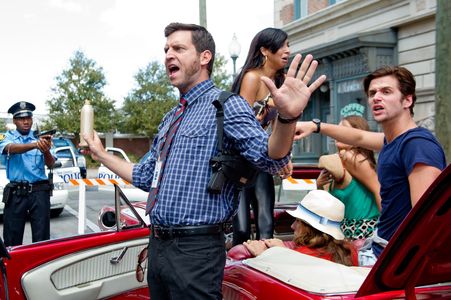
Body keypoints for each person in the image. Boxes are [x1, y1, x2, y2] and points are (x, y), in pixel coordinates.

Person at [82, 22, 326, 300]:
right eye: (166, 50)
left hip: (197, 250)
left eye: (178, 48)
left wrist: (287, 118)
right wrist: (101, 154)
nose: (168, 55)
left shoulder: (226, 105)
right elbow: (143, 175)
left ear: (204, 57)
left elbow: (268, 158)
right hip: (158, 247)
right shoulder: (170, 117)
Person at [295, 66, 447, 266]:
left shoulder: (417, 145)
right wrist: (316, 126)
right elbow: (358, 136)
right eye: (372, 93)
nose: (376, 97)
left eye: (386, 91)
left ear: (407, 100)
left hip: (392, 260)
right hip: (378, 248)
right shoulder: (393, 141)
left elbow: (425, 221)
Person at [230, 28, 292, 246]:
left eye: (288, 45)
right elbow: (241, 125)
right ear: (265, 50)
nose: (287, 51)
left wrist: (284, 157)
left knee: (266, 226)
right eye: (282, 46)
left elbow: (281, 126)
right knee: (242, 229)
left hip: (263, 161)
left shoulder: (282, 81)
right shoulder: (252, 77)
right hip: (241, 161)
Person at [243, 190, 357, 266]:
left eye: (298, 221)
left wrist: (264, 255)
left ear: (309, 228)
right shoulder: (350, 251)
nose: (292, 226)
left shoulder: (301, 259)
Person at [0, 101, 55, 246]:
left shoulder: (42, 137)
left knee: (42, 238)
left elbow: (51, 164)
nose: (26, 122)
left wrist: (46, 149)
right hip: (17, 193)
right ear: (14, 121)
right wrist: (35, 144)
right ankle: (12, 269)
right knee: (12, 238)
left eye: (28, 118)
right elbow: (10, 148)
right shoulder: (7, 137)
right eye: (21, 118)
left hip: (39, 193)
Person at [317, 115, 381, 240]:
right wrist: (319, 185)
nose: (339, 134)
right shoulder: (337, 161)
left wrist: (390, 229)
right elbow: (326, 205)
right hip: (344, 233)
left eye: (344, 131)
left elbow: (378, 190)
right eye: (338, 130)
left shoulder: (354, 157)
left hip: (363, 231)